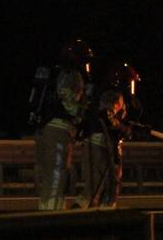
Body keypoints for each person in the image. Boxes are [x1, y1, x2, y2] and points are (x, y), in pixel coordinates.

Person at [80, 62, 150, 209]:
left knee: (112, 184)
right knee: (96, 185)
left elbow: (118, 118)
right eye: (130, 82)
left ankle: (106, 215)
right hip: (101, 144)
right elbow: (107, 117)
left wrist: (135, 128)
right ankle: (79, 214)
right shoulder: (113, 94)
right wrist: (125, 129)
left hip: (107, 144)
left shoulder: (115, 95)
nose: (132, 87)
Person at [34, 38, 93, 210]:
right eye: (84, 61)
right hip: (59, 131)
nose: (86, 66)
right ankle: (52, 217)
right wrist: (84, 113)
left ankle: (49, 210)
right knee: (57, 176)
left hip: (45, 128)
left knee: (51, 176)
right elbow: (69, 103)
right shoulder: (72, 75)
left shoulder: (56, 73)